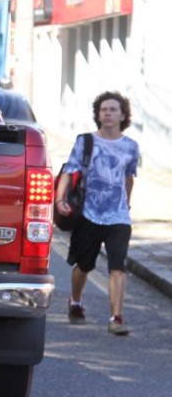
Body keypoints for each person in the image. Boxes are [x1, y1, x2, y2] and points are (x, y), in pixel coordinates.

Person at [56, 91, 140, 335]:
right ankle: (75, 300)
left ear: (122, 115)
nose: (108, 113)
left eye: (113, 109)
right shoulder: (85, 142)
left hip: (119, 217)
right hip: (88, 214)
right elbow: (68, 172)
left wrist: (126, 205)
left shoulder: (131, 147)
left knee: (118, 266)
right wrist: (60, 199)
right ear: (98, 114)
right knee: (84, 266)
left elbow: (128, 178)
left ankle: (116, 318)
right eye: (104, 109)